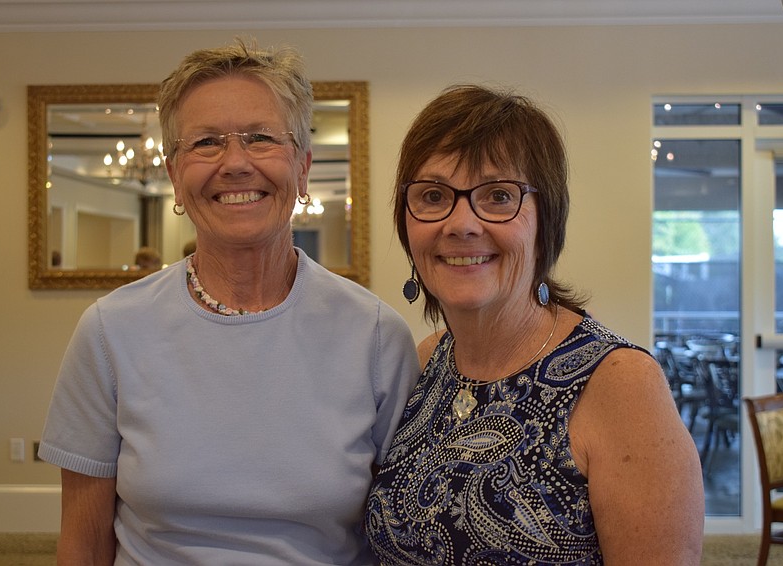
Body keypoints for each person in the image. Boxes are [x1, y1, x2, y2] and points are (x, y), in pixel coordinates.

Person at [38, 39, 419, 565]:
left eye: (261, 138)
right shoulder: (110, 332)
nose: (235, 163)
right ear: (174, 175)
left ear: (303, 168)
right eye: (207, 143)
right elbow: (82, 542)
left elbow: (395, 539)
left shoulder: (375, 335)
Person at [365, 85, 704, 565]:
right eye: (434, 195)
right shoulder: (428, 359)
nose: (461, 223)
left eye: (499, 195)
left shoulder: (621, 385)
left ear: (547, 222)